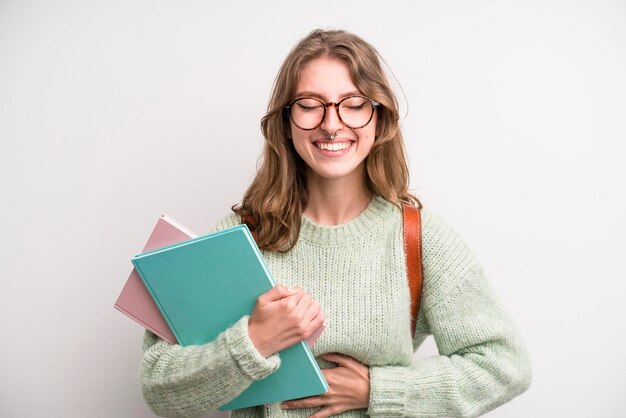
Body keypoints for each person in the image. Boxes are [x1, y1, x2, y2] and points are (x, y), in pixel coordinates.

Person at [140, 29, 532, 418]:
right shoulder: (240, 236)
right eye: (310, 104)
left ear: (378, 117)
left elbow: (504, 365)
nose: (332, 124)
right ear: (286, 120)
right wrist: (254, 342)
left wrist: (379, 390)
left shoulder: (419, 237)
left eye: (353, 103)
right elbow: (161, 391)